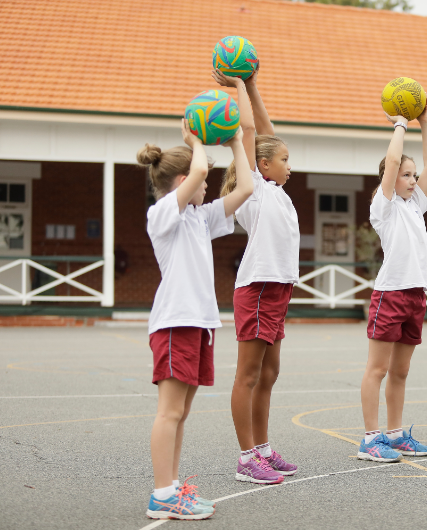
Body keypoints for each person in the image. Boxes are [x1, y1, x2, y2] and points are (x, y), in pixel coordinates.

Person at [141, 119, 253, 519]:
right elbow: (203, 170)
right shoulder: (163, 215)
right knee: (169, 412)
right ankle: (162, 495)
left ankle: (171, 490)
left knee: (181, 414)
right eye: (199, 180)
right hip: (175, 323)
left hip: (199, 325)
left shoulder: (198, 218)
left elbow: (246, 188)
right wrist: (195, 141)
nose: (207, 186)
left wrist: (238, 141)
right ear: (184, 179)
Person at [215, 66, 299, 482]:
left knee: (270, 372)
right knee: (248, 375)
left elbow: (265, 129)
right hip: (258, 287)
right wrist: (237, 87)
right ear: (262, 165)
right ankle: (247, 459)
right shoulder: (254, 187)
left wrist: (253, 84)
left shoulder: (277, 191)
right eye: (284, 161)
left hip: (279, 288)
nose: (290, 167)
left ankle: (264, 448)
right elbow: (250, 129)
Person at [358, 104, 427, 462]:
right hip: (390, 294)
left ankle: (394, 433)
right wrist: (401, 125)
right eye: (407, 174)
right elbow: (391, 164)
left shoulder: (415, 204)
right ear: (391, 180)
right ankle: (371, 438)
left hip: (416, 294)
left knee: (401, 371)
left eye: (413, 174)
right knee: (378, 369)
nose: (413, 179)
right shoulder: (384, 205)